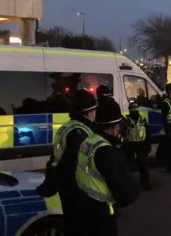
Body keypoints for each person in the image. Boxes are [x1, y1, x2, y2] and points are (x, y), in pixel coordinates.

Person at [74, 97, 139, 236]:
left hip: (83, 206)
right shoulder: (108, 152)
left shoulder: (88, 141)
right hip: (101, 214)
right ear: (115, 127)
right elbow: (125, 193)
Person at [37, 89, 97, 236]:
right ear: (88, 112)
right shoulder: (79, 133)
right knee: (79, 226)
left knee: (72, 223)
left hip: (67, 188)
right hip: (76, 188)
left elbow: (57, 157)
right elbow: (70, 163)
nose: (95, 113)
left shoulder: (68, 126)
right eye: (94, 110)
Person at [121, 100, 152, 190]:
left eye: (136, 108)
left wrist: (148, 145)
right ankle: (130, 185)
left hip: (141, 145)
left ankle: (145, 183)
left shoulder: (142, 120)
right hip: (130, 145)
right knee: (130, 166)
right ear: (130, 110)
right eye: (133, 108)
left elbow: (147, 133)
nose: (135, 110)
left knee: (143, 165)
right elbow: (122, 134)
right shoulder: (125, 121)